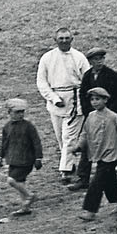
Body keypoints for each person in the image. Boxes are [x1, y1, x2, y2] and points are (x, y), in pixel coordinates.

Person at [35, 27, 89, 186]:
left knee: (69, 137)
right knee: (60, 137)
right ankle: (71, 163)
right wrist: (53, 98)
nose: (64, 41)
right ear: (55, 40)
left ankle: (65, 171)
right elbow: (41, 82)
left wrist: (83, 100)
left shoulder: (79, 57)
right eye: (61, 38)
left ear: (72, 39)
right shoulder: (47, 58)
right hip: (55, 103)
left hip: (75, 101)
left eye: (67, 38)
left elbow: (87, 80)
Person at [77, 87, 117, 222]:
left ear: (105, 100)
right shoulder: (91, 117)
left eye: (97, 99)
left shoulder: (113, 117)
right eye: (92, 99)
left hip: (111, 155)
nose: (94, 102)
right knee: (110, 179)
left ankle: (90, 210)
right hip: (98, 153)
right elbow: (85, 133)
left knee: (97, 181)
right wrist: (79, 145)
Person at [0, 97, 43, 216]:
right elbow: (4, 143)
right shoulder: (7, 127)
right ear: (9, 112)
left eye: (22, 112)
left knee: (11, 180)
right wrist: (0, 157)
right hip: (13, 159)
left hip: (26, 159)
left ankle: (29, 196)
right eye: (17, 112)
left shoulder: (28, 126)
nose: (21, 114)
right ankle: (25, 207)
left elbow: (36, 142)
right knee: (20, 183)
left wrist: (38, 158)